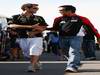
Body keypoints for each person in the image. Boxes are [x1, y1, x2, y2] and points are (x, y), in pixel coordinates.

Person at [47, 5, 100, 72]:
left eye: (61, 10)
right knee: (65, 52)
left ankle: (72, 66)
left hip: (77, 37)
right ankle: (76, 62)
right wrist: (44, 28)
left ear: (69, 11)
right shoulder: (58, 19)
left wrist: (98, 37)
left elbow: (92, 28)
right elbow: (55, 28)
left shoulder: (82, 18)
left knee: (74, 51)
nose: (59, 11)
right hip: (62, 37)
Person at [9, 3, 47, 72]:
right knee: (27, 54)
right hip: (22, 38)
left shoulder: (39, 18)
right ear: (26, 8)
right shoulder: (15, 17)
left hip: (37, 37)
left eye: (37, 8)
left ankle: (31, 66)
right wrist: (30, 27)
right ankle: (36, 62)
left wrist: (35, 32)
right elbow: (11, 26)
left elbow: (44, 27)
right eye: (35, 8)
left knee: (34, 50)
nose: (37, 9)